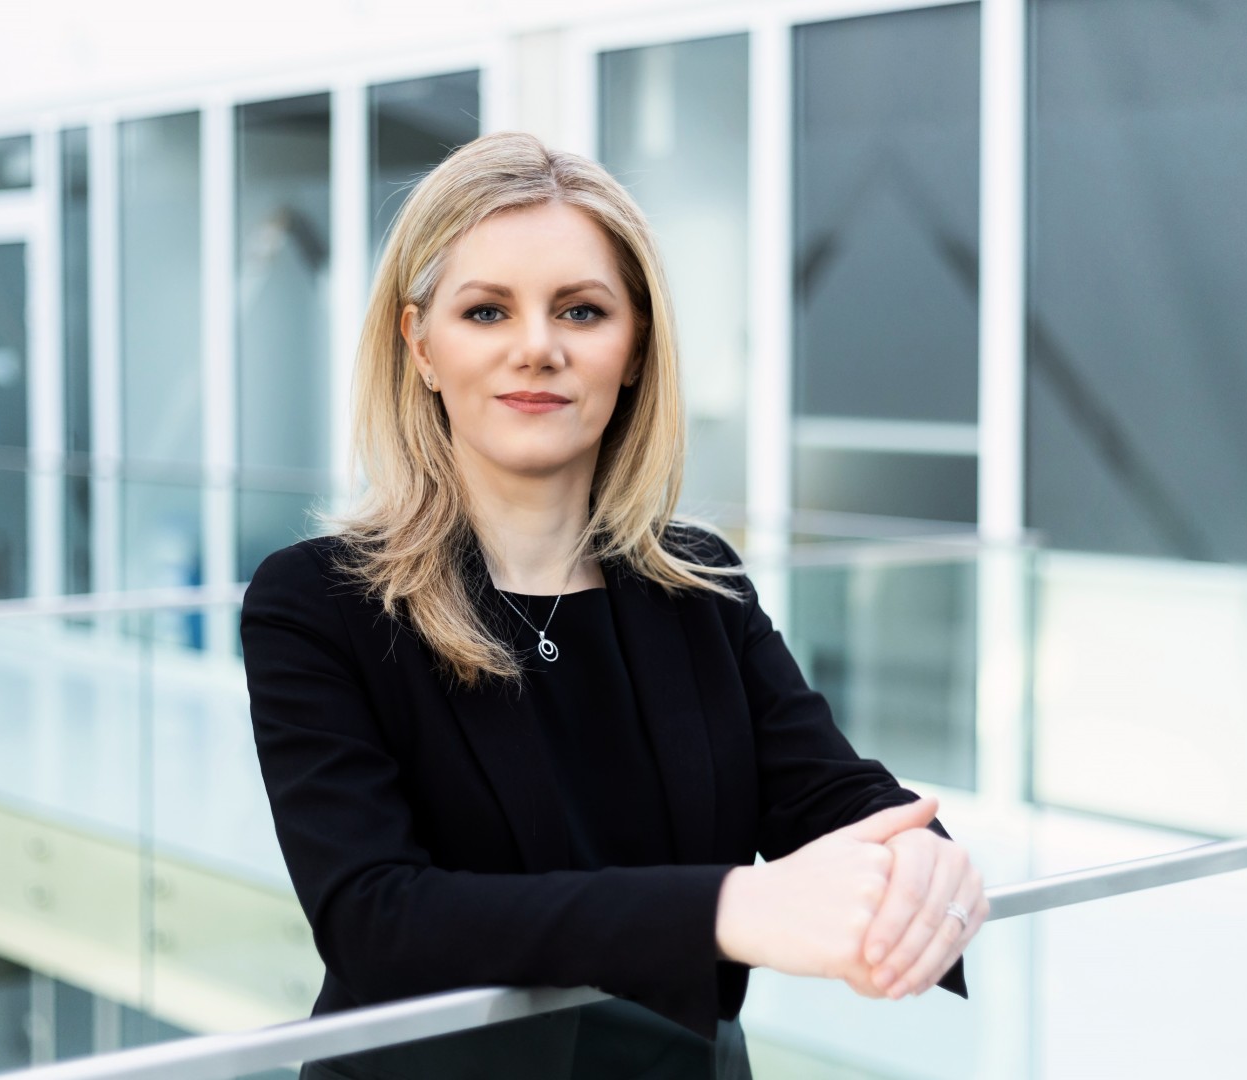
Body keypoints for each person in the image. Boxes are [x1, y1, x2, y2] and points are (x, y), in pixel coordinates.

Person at [240, 130, 988, 1080]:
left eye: (581, 311)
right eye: (486, 311)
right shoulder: (320, 602)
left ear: (634, 348)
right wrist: (727, 909)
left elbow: (832, 795)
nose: (537, 348)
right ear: (420, 345)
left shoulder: (700, 586)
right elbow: (378, 919)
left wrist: (922, 860)